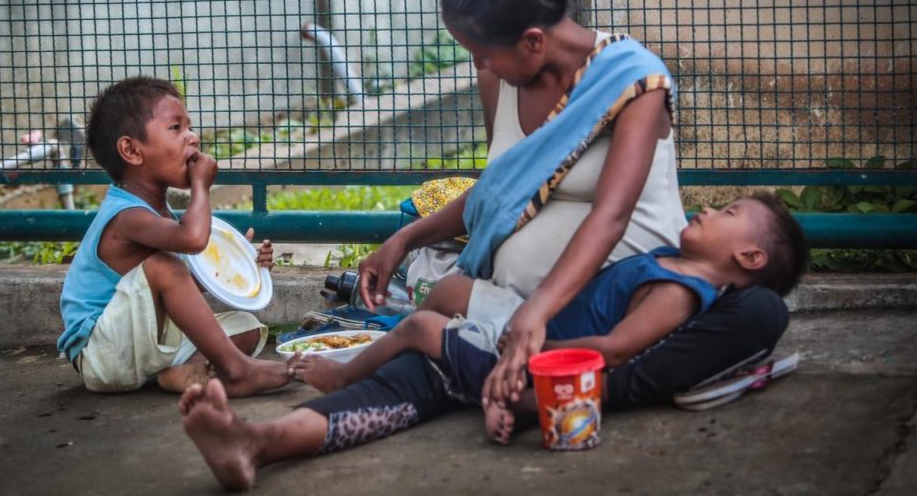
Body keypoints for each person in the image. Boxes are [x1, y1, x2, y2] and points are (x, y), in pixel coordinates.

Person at [179, 192, 807, 490]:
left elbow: (614, 351)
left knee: (420, 341)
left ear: (748, 255)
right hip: (524, 318)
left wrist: (529, 377)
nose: (711, 209)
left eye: (726, 214)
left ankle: (303, 407)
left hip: (534, 350)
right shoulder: (670, 252)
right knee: (440, 308)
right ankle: (254, 444)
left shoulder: (685, 293)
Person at [357, 0, 687, 407]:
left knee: (427, 346)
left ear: (533, 41)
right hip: (517, 302)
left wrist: (536, 313)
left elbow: (610, 217)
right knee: (432, 317)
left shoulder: (634, 80)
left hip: (611, 302)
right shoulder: (501, 78)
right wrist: (404, 239)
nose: (478, 64)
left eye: (484, 53)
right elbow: (501, 190)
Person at [56, 76, 292, 396]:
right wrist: (201, 186)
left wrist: (244, 265)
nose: (192, 137)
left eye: (189, 126)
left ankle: (179, 373)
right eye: (176, 128)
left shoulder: (159, 212)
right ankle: (235, 371)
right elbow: (193, 242)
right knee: (166, 266)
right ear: (131, 150)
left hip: (146, 345)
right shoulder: (126, 216)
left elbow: (183, 289)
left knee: (246, 327)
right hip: (104, 353)